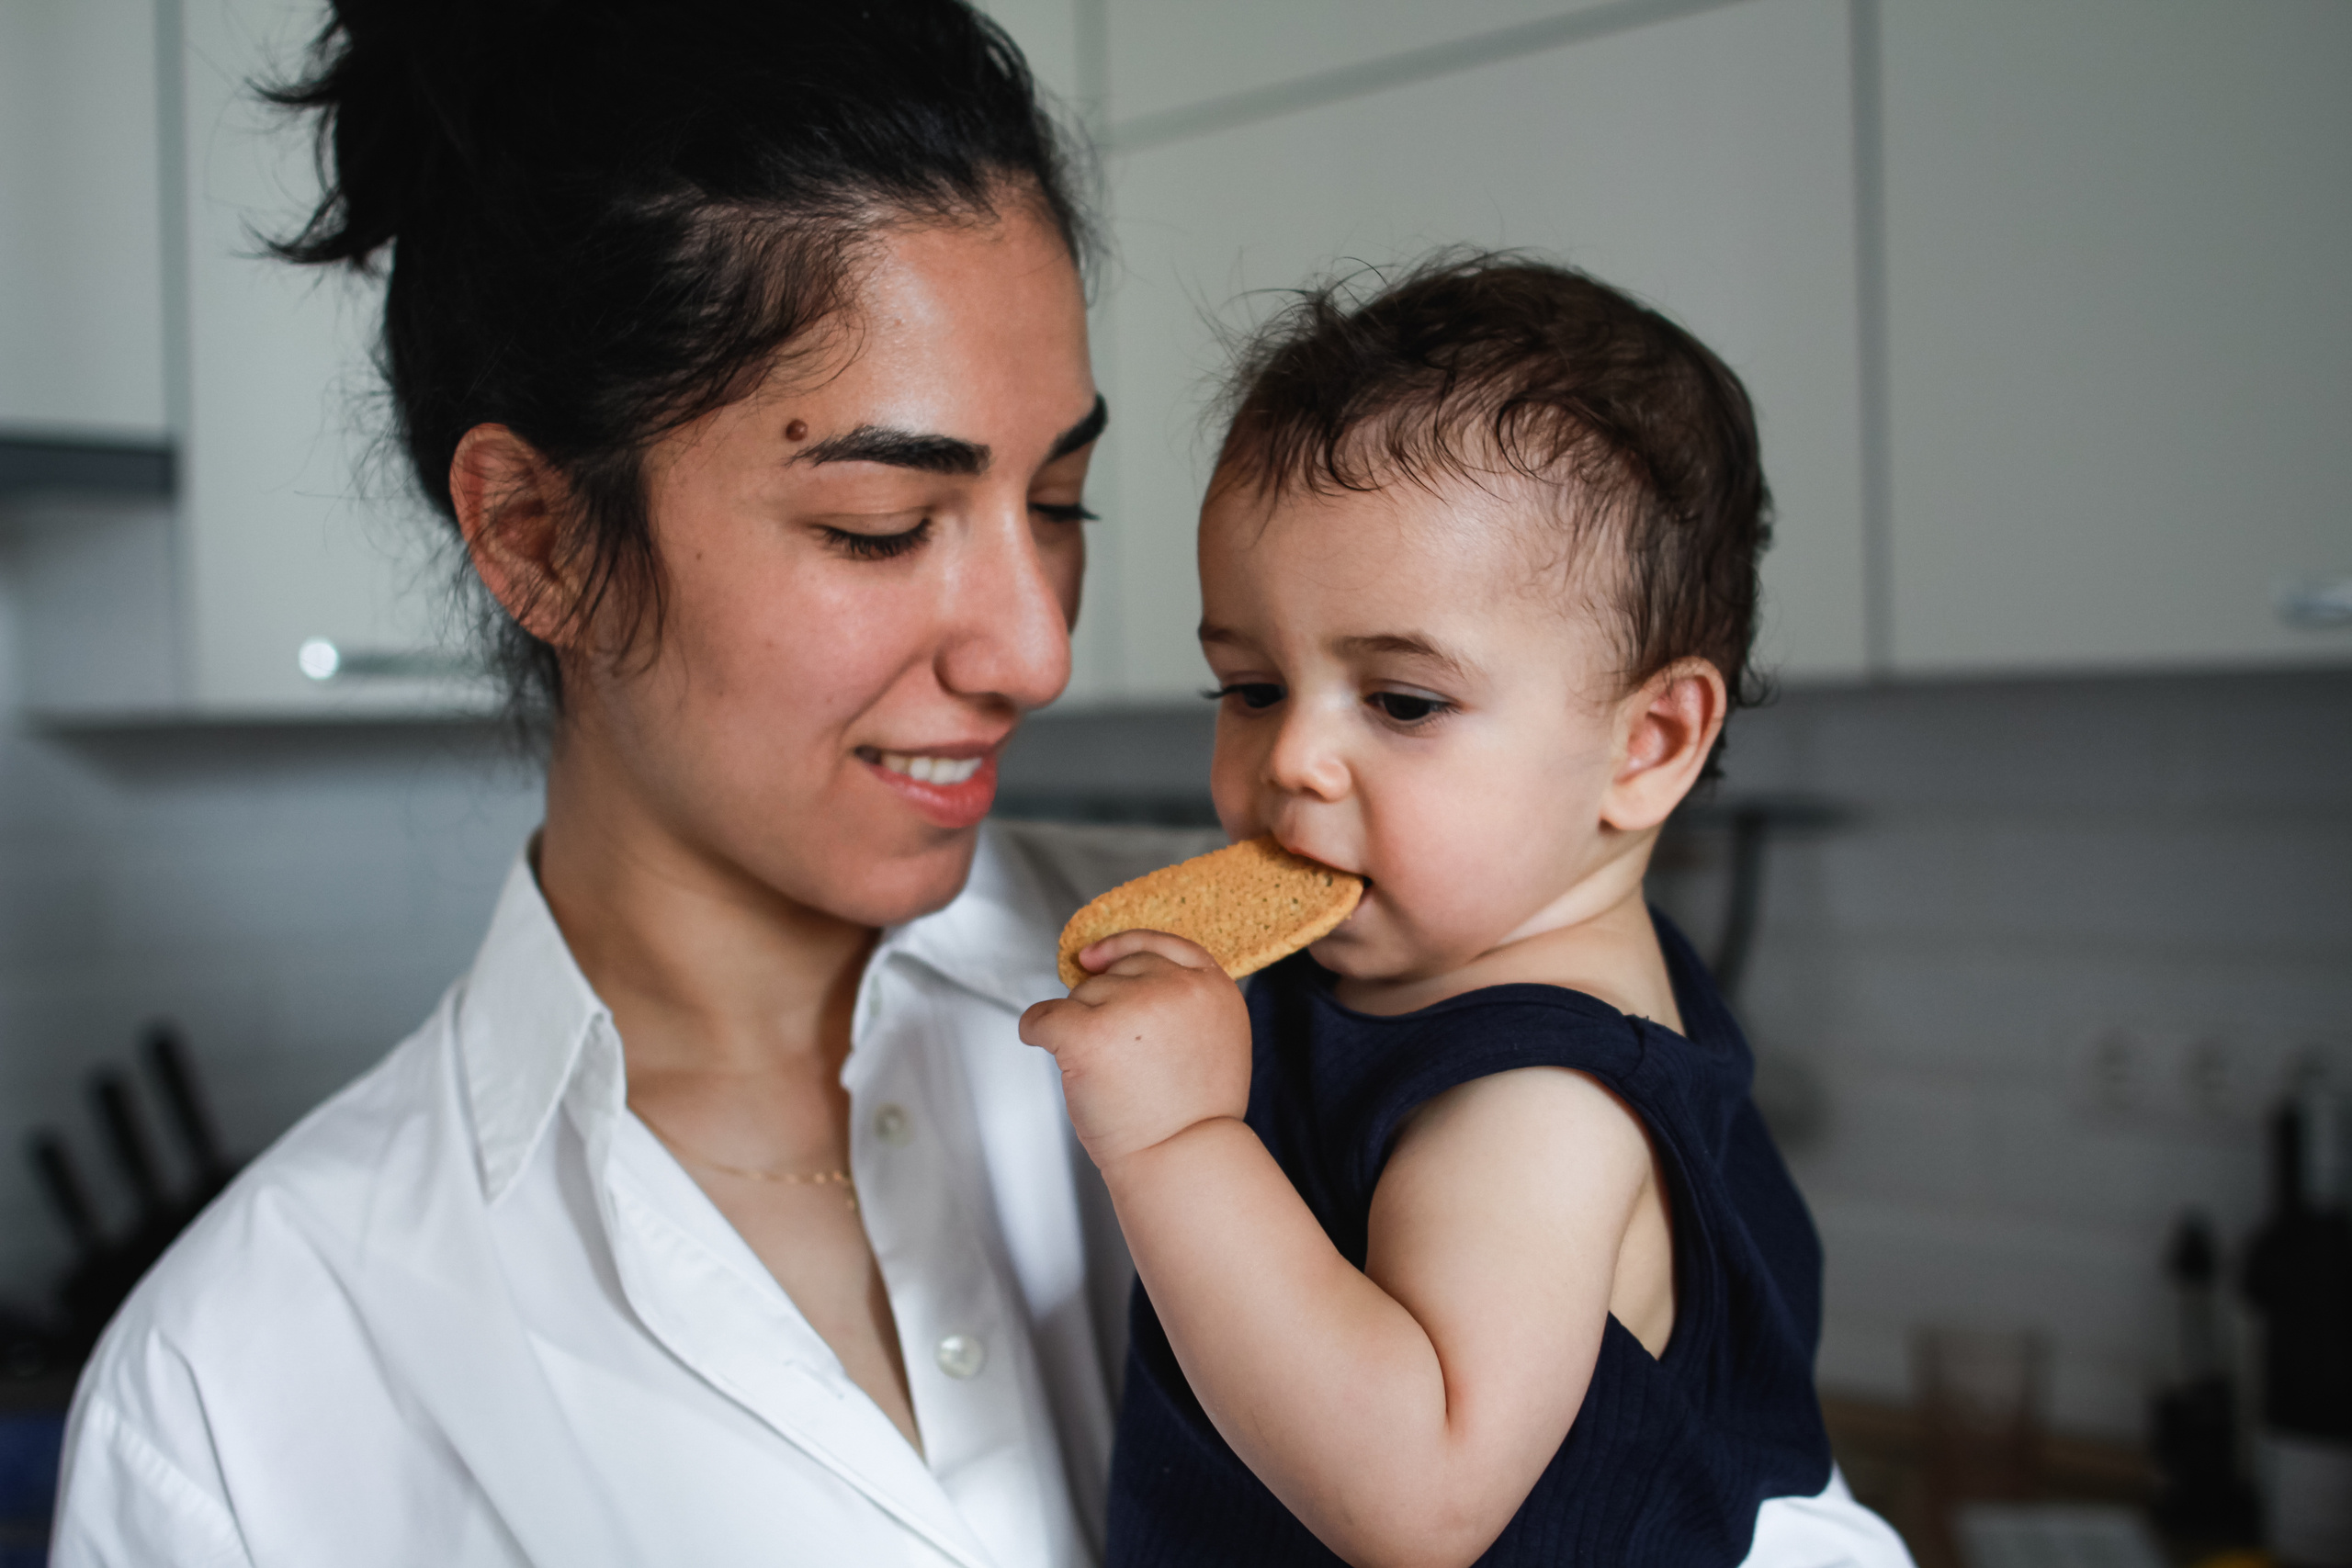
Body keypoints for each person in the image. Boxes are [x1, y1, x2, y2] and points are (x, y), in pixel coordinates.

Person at [51, 4, 1214, 1564]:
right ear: (535, 534)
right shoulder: (237, 1397)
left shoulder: (1304, 976)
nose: (1033, 648)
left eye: (1058, 498)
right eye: (881, 522)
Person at [1022, 256, 1916, 1566]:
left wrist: (1176, 1140)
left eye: (1401, 702)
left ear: (1648, 744)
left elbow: (1416, 1499)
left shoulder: (1540, 1102)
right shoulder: (1430, 956)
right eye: (1252, 685)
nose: (1292, 762)